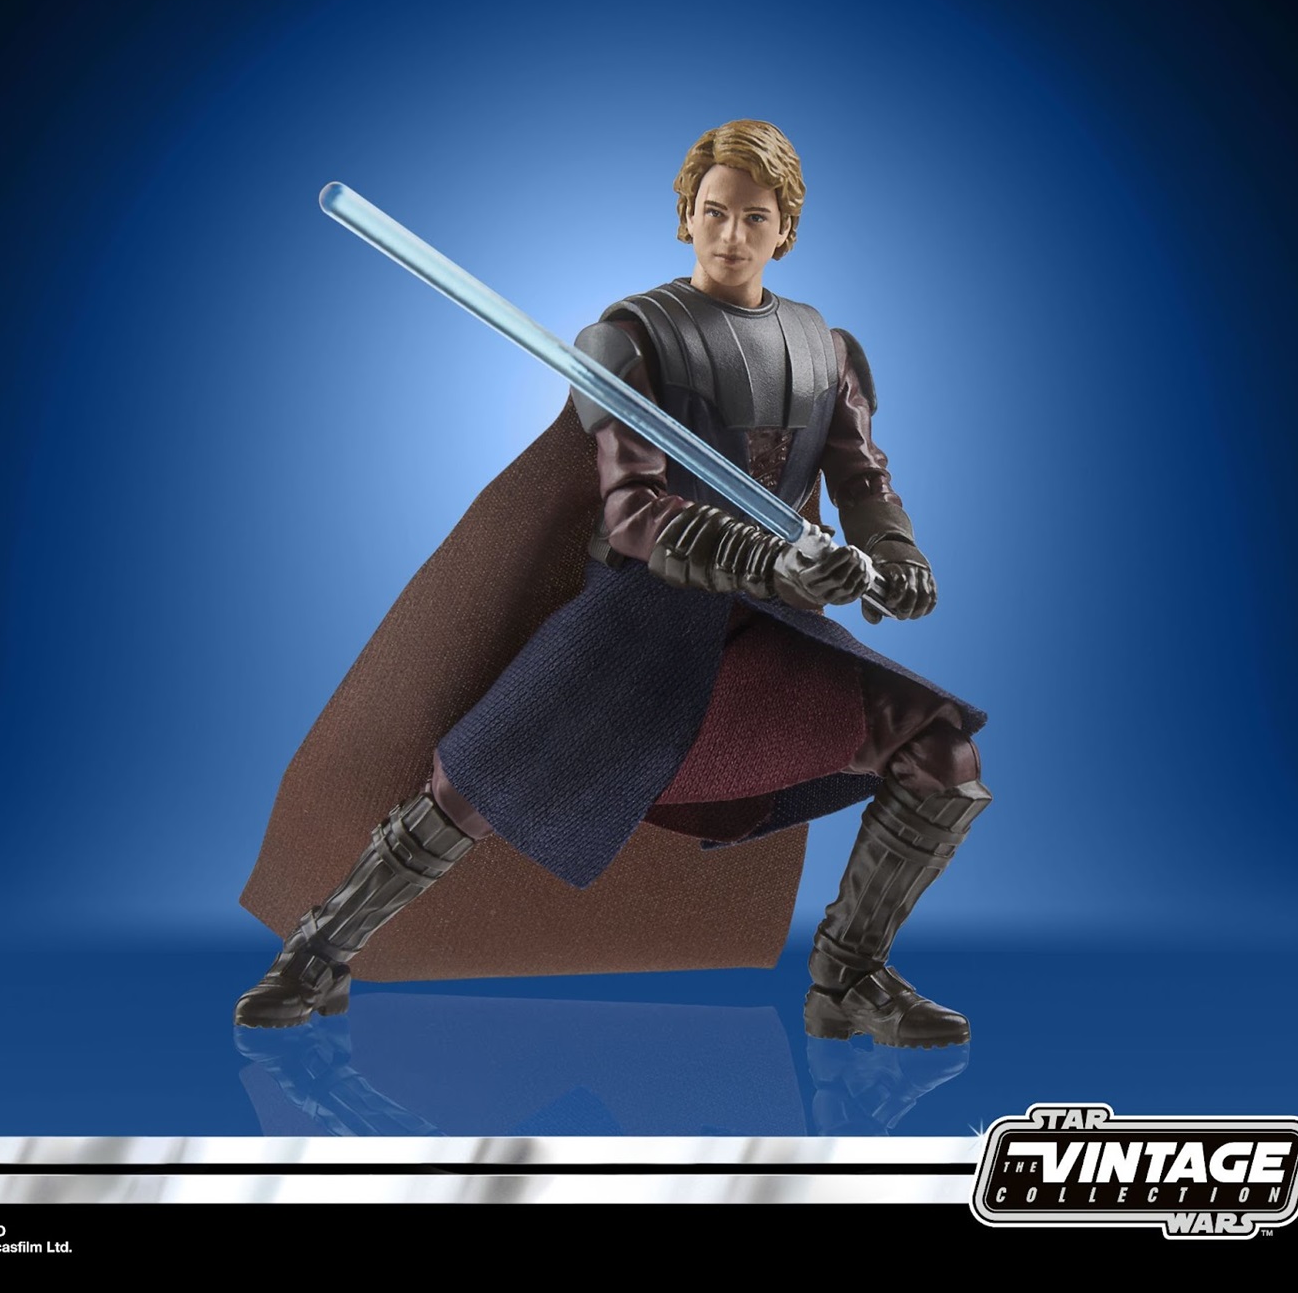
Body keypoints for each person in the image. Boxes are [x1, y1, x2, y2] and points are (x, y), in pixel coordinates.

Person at [236, 120, 989, 1048]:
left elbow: (865, 486)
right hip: (636, 621)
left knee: (941, 753)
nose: (731, 235)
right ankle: (319, 952)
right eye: (714, 212)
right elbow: (636, 515)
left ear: (785, 229)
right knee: (468, 784)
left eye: (755, 218)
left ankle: (848, 977)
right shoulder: (634, 339)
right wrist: (771, 559)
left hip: (760, 633)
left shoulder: (826, 352)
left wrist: (899, 563)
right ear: (686, 215)